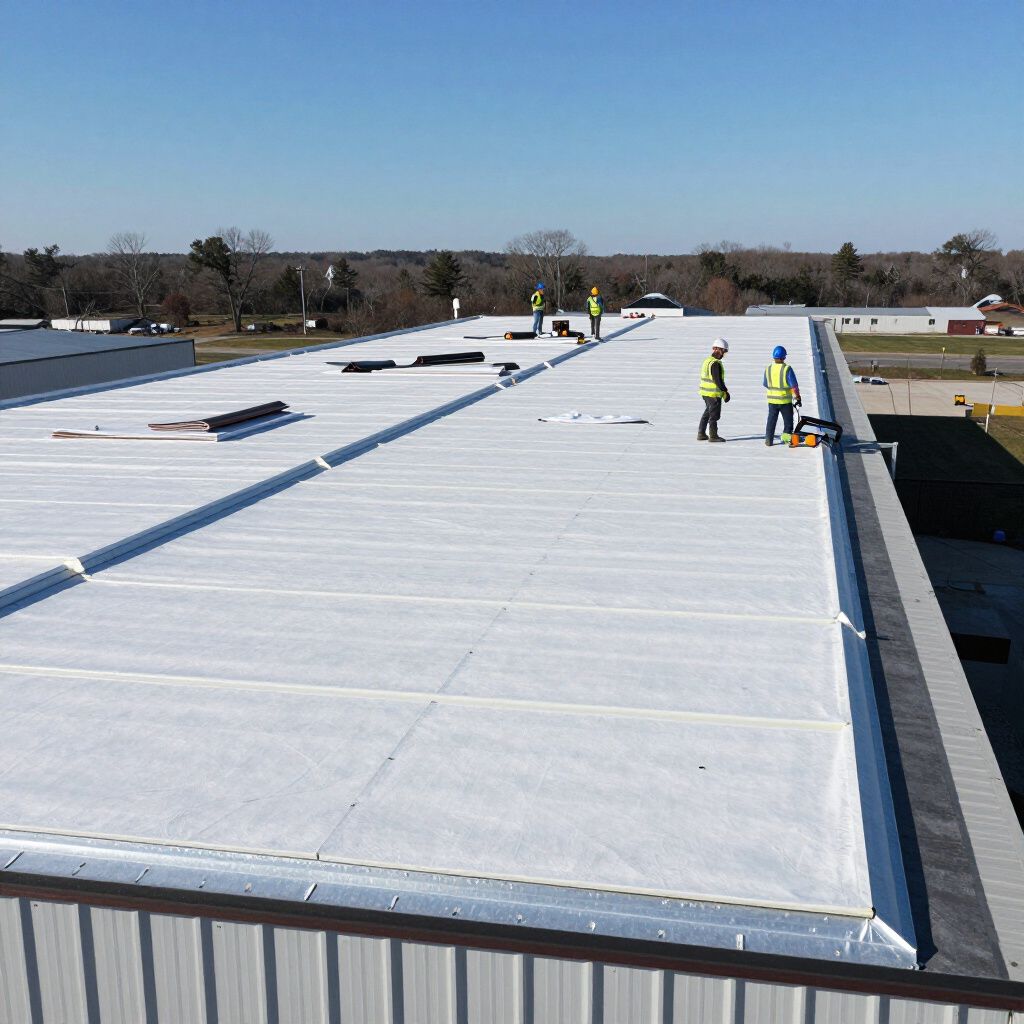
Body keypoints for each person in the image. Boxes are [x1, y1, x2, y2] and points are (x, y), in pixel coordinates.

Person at [763, 345, 801, 446]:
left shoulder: (768, 368)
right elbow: (794, 386)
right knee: (788, 422)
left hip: (772, 401)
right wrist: (797, 397)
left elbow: (765, 384)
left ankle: (768, 440)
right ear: (783, 357)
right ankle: (786, 439)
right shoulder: (787, 369)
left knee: (771, 421)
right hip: (785, 401)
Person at [698, 338, 730, 442]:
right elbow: (717, 380)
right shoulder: (715, 363)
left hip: (705, 393)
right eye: (723, 351)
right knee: (714, 415)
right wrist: (725, 392)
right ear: (718, 349)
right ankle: (713, 435)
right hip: (713, 394)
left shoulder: (707, 361)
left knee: (707, 412)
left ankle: (701, 433)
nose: (723, 354)